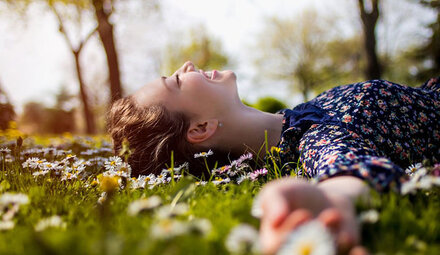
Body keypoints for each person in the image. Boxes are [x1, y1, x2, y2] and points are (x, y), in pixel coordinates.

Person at [107, 61, 440, 254]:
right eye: (177, 80)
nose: (188, 65)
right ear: (200, 129)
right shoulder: (313, 139)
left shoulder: (301, 116)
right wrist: (330, 202)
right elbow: (345, 171)